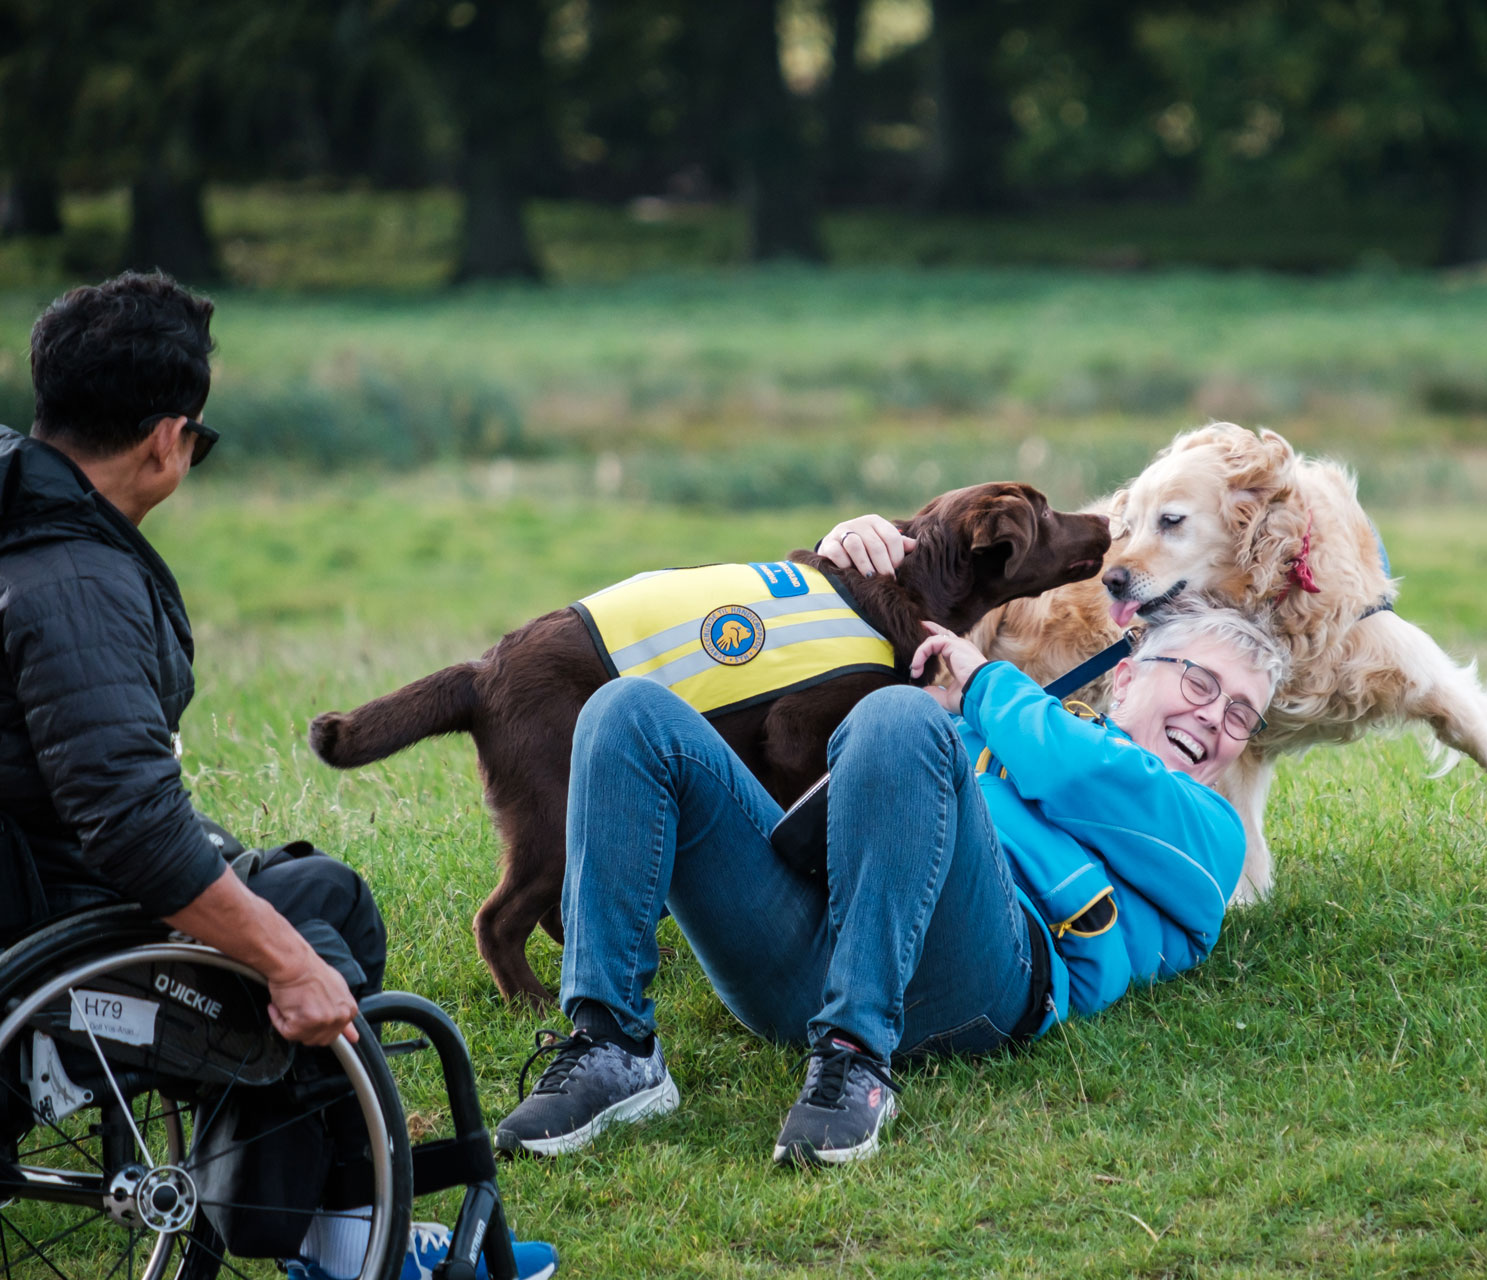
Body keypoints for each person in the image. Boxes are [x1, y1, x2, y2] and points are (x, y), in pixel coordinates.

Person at [0, 272, 554, 1280]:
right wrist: (290, 963)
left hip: (29, 876)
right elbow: (130, 825)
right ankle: (341, 1238)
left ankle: (314, 1217)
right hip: (51, 934)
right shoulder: (74, 580)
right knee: (318, 914)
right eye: (199, 438)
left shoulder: (17, 511)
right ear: (168, 438)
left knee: (302, 888)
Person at [493, 514, 1288, 1167]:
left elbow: (1086, 778)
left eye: (1240, 716)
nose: (1215, 721)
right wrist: (860, 547)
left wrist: (978, 686)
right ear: (1127, 675)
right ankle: (612, 1042)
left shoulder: (1209, 833)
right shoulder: (1015, 726)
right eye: (1200, 683)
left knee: (898, 714)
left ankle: (855, 1061)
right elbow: (949, 568)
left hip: (978, 980)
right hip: (800, 949)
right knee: (627, 711)